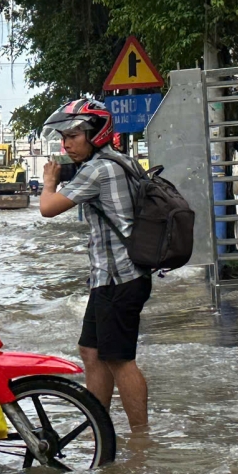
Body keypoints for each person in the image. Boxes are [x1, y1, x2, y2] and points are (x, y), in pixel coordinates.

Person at [38, 98, 150, 428]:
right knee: (90, 350)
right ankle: (97, 427)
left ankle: (141, 440)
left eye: (74, 136)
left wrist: (49, 181)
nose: (66, 144)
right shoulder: (123, 161)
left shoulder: (98, 169)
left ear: (96, 134)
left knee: (119, 360)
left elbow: (48, 207)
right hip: (112, 278)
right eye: (64, 137)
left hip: (121, 277)